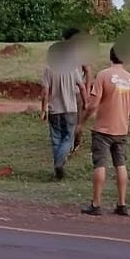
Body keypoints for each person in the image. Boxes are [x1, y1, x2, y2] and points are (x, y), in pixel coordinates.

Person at [78, 47, 130, 216]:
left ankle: (96, 203)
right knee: (120, 164)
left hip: (103, 129)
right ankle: (122, 203)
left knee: (100, 164)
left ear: (110, 57)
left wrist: (82, 121)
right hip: (121, 129)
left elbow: (93, 104)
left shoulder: (104, 75)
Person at [41, 31, 87, 179]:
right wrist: (85, 102)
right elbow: (81, 86)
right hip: (70, 109)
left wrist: (43, 108)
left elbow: (44, 91)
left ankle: (57, 169)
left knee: (56, 139)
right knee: (68, 138)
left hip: (54, 110)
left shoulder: (48, 68)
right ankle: (59, 164)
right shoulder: (72, 68)